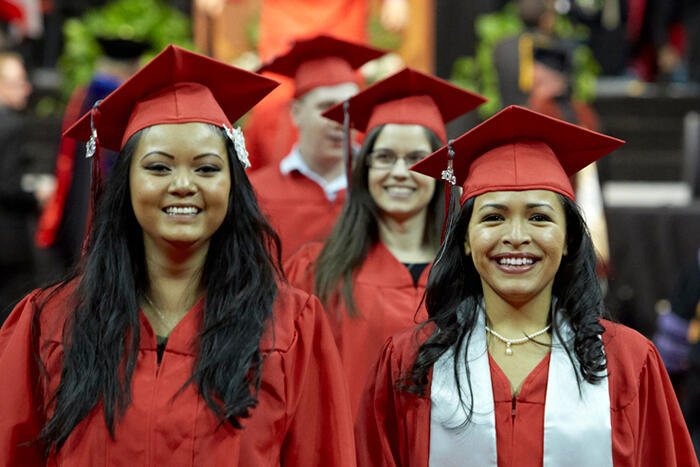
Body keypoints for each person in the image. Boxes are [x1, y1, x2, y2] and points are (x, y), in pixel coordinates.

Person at [0, 45, 356, 465]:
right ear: (126, 184)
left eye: (206, 168)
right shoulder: (52, 323)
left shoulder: (289, 328)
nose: (184, 184)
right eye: (158, 167)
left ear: (233, 186)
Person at [354, 105, 699, 466]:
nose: (516, 236)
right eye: (493, 217)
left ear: (568, 239)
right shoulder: (409, 362)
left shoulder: (629, 363)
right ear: (466, 240)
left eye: (539, 217)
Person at [284, 68, 485, 415]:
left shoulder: (470, 273)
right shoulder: (315, 270)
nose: (400, 173)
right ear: (364, 167)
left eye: (417, 159)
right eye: (385, 157)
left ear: (441, 171)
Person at [249, 34, 385, 260]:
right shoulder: (256, 194)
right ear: (296, 113)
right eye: (325, 107)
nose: (339, 120)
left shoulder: (382, 186)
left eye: (349, 108)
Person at [36, 37, 149, 271]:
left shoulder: (82, 95)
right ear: (130, 69)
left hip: (80, 191)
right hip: (108, 195)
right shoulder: (121, 101)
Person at [0, 51, 51, 320]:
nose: (27, 89)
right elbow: (6, 186)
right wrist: (37, 197)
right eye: (19, 82)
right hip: (8, 241)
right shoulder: (12, 125)